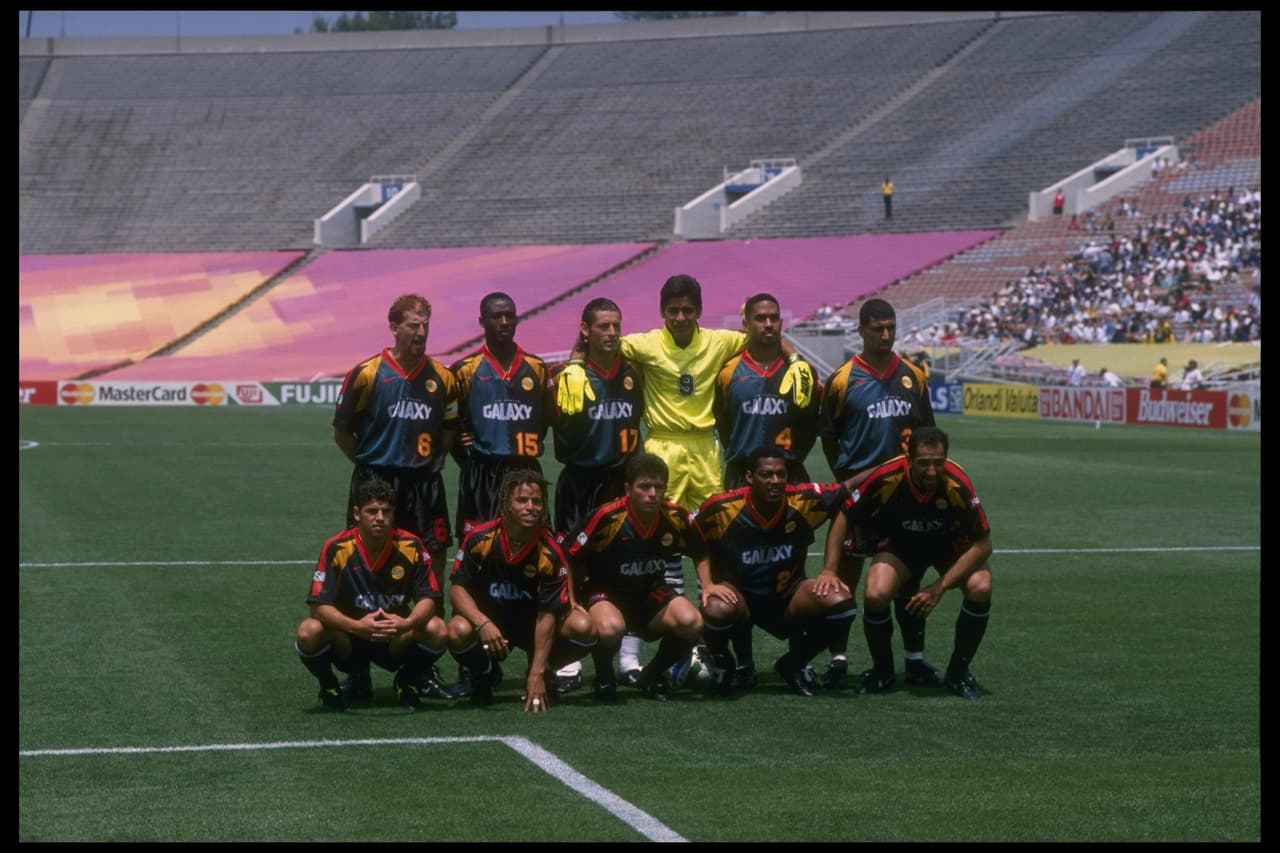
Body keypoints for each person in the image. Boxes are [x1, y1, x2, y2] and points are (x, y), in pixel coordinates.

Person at [556, 274, 814, 682]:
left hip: (705, 451)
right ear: (662, 313)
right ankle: (630, 653)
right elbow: (594, 342)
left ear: (699, 311)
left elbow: (762, 334)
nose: (680, 317)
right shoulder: (642, 343)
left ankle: (700, 647)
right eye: (673, 310)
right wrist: (573, 363)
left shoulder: (718, 341)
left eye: (688, 310)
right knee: (650, 542)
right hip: (662, 448)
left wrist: (795, 357)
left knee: (711, 539)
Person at [331, 293, 460, 699]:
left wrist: (421, 462)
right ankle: (357, 668)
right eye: (412, 325)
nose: (420, 332)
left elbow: (449, 431)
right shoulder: (367, 374)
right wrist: (372, 467)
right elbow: (342, 432)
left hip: (423, 485)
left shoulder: (443, 377)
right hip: (375, 480)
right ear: (394, 326)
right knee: (362, 570)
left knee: (431, 569)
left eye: (425, 325)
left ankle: (421, 668)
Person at [817, 298, 939, 692]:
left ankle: (913, 662)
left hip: (905, 498)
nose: (885, 335)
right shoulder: (842, 379)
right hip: (861, 498)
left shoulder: (913, 376)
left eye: (890, 327)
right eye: (877, 329)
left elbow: (927, 434)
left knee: (906, 583)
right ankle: (838, 658)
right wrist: (847, 479)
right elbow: (829, 435)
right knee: (842, 582)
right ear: (862, 331)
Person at [820, 426, 993, 700]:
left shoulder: (957, 482)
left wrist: (939, 587)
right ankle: (883, 670)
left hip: (948, 546)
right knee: (876, 592)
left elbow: (984, 544)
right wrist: (829, 569)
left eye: (939, 463)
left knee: (981, 586)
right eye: (924, 464)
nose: (933, 471)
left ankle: (958, 673)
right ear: (908, 459)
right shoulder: (886, 476)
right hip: (901, 546)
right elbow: (844, 515)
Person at [688, 447, 859, 698]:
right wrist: (708, 582)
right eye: (766, 475)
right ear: (749, 477)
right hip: (740, 600)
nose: (775, 481)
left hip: (788, 596)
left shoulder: (801, 500)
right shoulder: (723, 507)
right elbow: (692, 534)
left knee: (843, 605)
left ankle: (793, 664)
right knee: (715, 608)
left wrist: (829, 570)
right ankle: (727, 663)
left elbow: (844, 499)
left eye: (780, 474)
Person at [712, 292, 820, 687]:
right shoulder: (728, 372)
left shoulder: (800, 371)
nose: (769, 324)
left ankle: (798, 657)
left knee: (793, 564)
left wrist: (791, 460)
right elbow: (723, 424)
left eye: (775, 317)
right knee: (735, 571)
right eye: (760, 318)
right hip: (741, 476)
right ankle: (744, 661)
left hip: (789, 477)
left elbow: (811, 423)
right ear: (747, 324)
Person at [545, 297, 646, 693]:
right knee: (569, 562)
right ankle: (569, 656)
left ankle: (625, 654)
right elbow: (539, 419)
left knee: (624, 563)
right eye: (602, 326)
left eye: (616, 326)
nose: (611, 333)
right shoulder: (565, 375)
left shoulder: (635, 371)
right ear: (585, 330)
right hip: (579, 483)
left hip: (619, 480)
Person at [444, 470, 597, 711]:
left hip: (531, 625)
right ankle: (485, 672)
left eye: (537, 501)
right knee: (456, 630)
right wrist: (482, 622)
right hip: (492, 625)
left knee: (584, 627)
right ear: (506, 504)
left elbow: (547, 615)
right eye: (522, 500)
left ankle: (544, 670)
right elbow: (457, 589)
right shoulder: (479, 538)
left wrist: (535, 673)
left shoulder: (551, 551)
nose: (530, 507)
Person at [294, 478, 451, 712]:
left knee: (438, 629)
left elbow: (429, 599)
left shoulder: (411, 545)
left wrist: (407, 623)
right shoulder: (337, 547)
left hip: (393, 637)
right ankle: (329, 686)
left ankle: (406, 681)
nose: (379, 517)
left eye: (386, 511)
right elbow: (318, 607)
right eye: (372, 511)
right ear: (357, 514)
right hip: (349, 637)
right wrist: (356, 626)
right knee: (309, 631)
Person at [566, 452, 703, 703]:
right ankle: (605, 678)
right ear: (628, 489)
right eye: (644, 486)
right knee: (609, 628)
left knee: (691, 621)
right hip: (607, 594)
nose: (652, 493)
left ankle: (650, 676)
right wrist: (571, 601)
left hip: (650, 594)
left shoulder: (675, 516)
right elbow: (570, 556)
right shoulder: (607, 517)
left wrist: (712, 584)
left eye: (658, 487)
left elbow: (702, 551)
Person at [449, 292, 549, 543]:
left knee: (532, 546)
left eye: (509, 316)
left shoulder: (536, 367)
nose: (504, 322)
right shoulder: (465, 370)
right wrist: (469, 459)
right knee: (477, 548)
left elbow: (545, 421)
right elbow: (450, 426)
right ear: (482, 322)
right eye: (496, 316)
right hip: (481, 474)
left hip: (525, 469)